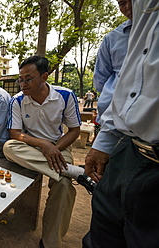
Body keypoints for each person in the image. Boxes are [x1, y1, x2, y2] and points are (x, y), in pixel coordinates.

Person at [83, 1, 159, 247]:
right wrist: (105, 139)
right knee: (103, 232)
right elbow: (114, 85)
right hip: (127, 146)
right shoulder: (116, 37)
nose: (127, 5)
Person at [3, 55, 95, 248]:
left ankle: (50, 242)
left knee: (63, 187)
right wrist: (43, 146)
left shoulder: (65, 96)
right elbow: (15, 134)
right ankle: (75, 172)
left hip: (60, 145)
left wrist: (54, 147)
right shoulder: (17, 101)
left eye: (28, 79)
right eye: (21, 79)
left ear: (44, 77)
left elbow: (75, 131)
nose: (23, 84)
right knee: (8, 147)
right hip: (30, 146)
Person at [93, 0, 132, 128]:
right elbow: (100, 80)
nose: (128, 7)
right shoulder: (112, 38)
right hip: (112, 119)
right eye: (122, 3)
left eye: (133, 1)